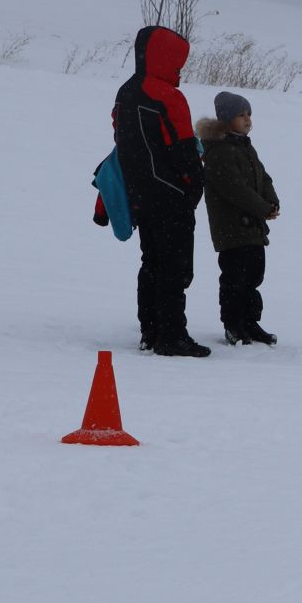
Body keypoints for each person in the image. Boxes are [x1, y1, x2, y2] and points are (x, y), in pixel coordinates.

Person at [113, 25, 209, 356]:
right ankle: (172, 336)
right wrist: (194, 186)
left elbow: (121, 142)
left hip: (139, 195)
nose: (180, 70)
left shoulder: (125, 92)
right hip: (171, 197)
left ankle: (150, 331)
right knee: (175, 267)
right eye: (178, 62)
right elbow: (183, 150)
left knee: (151, 262)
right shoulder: (168, 96)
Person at [197, 90, 281, 346]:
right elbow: (235, 189)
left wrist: (272, 201)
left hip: (253, 227)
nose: (247, 119)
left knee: (254, 276)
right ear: (225, 119)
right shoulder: (219, 151)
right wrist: (262, 208)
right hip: (232, 229)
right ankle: (233, 324)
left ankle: (250, 321)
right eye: (240, 115)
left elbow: (262, 177)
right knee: (235, 278)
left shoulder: (245, 147)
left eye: (249, 114)